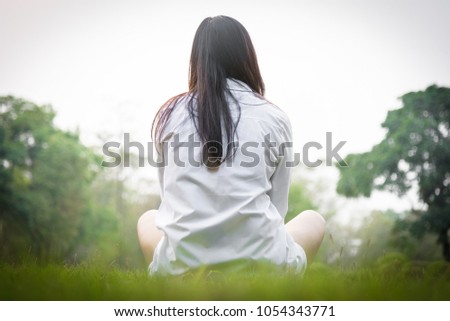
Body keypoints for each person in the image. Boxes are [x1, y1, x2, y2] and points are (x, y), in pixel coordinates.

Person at [137, 15, 325, 276]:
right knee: (313, 220)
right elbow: (277, 210)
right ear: (246, 57)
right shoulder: (274, 117)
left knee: (148, 218)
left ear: (197, 60)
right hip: (261, 267)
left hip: (181, 267)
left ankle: (179, 277)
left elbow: (169, 203)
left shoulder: (170, 114)